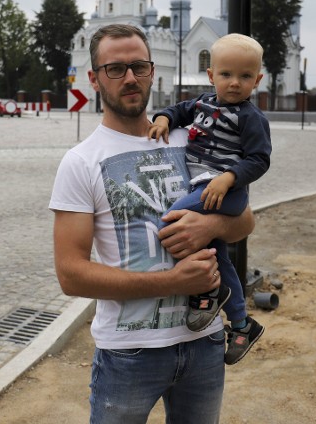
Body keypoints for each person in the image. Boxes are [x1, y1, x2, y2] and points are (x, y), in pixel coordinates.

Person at [50, 23, 255, 424]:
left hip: (205, 344)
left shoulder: (191, 139)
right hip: (129, 354)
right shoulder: (81, 162)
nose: (129, 77)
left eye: (139, 67)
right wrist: (174, 283)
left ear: (152, 70)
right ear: (93, 79)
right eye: (115, 69)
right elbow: (71, 275)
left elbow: (245, 220)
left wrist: (210, 227)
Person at [147, 33, 271, 366]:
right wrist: (162, 119)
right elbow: (176, 110)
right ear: (211, 75)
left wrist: (228, 178)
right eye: (227, 74)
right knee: (218, 254)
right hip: (203, 190)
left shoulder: (251, 117)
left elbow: (259, 159)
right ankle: (243, 323)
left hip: (225, 194)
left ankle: (207, 293)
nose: (235, 83)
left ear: (257, 80)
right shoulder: (202, 104)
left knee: (173, 222)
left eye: (245, 76)